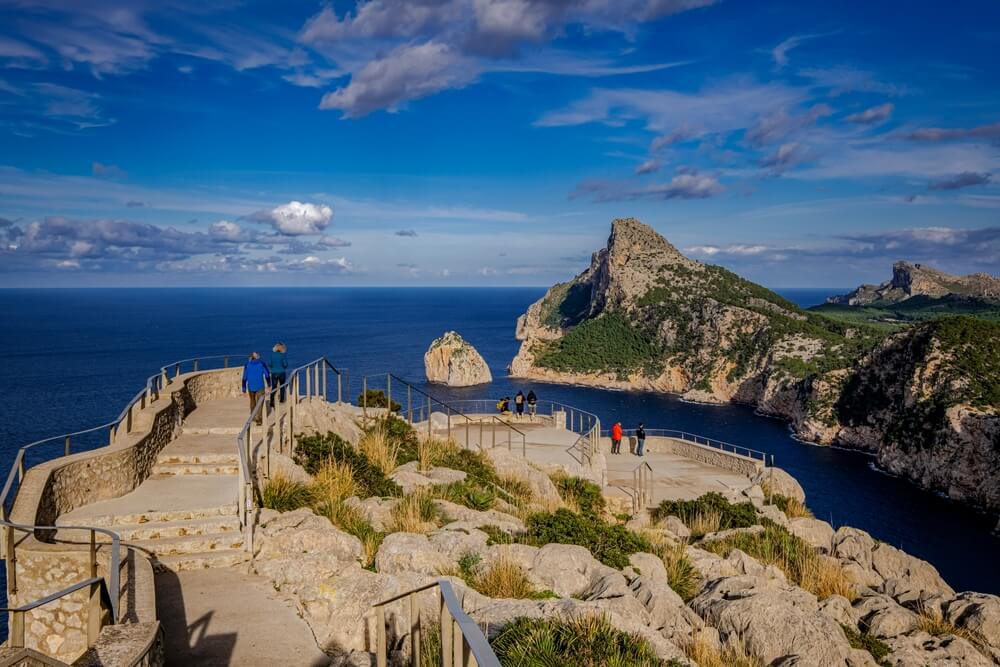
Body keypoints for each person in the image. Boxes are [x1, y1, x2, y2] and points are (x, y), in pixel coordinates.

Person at [242, 352, 271, 424]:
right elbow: (267, 375)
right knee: (260, 403)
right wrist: (269, 384)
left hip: (251, 386)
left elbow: (244, 378)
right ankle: (259, 419)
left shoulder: (247, 365)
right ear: (257, 357)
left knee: (252, 401)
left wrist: (244, 389)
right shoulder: (262, 364)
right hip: (260, 386)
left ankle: (253, 416)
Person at [269, 342, 288, 407]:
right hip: (281, 372)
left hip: (274, 373)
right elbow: (285, 364)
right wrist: (282, 367)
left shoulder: (272, 355)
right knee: (282, 386)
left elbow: (270, 364)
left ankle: (271, 401)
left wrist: (273, 368)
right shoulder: (282, 355)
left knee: (274, 387)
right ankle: (282, 400)